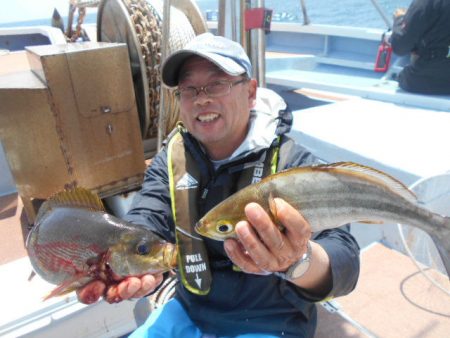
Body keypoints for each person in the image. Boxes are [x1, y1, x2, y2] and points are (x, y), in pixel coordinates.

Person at [77, 32, 360, 337]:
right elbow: (148, 215)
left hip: (272, 321)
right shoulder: (173, 157)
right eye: (189, 89)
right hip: (187, 311)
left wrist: (299, 261)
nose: (201, 98)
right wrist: (131, 257)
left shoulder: (294, 164)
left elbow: (344, 257)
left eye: (216, 84)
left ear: (251, 92)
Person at [388, 0, 450, 94]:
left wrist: (399, 19)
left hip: (428, 79)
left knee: (403, 77)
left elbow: (400, 47)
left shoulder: (424, 3)